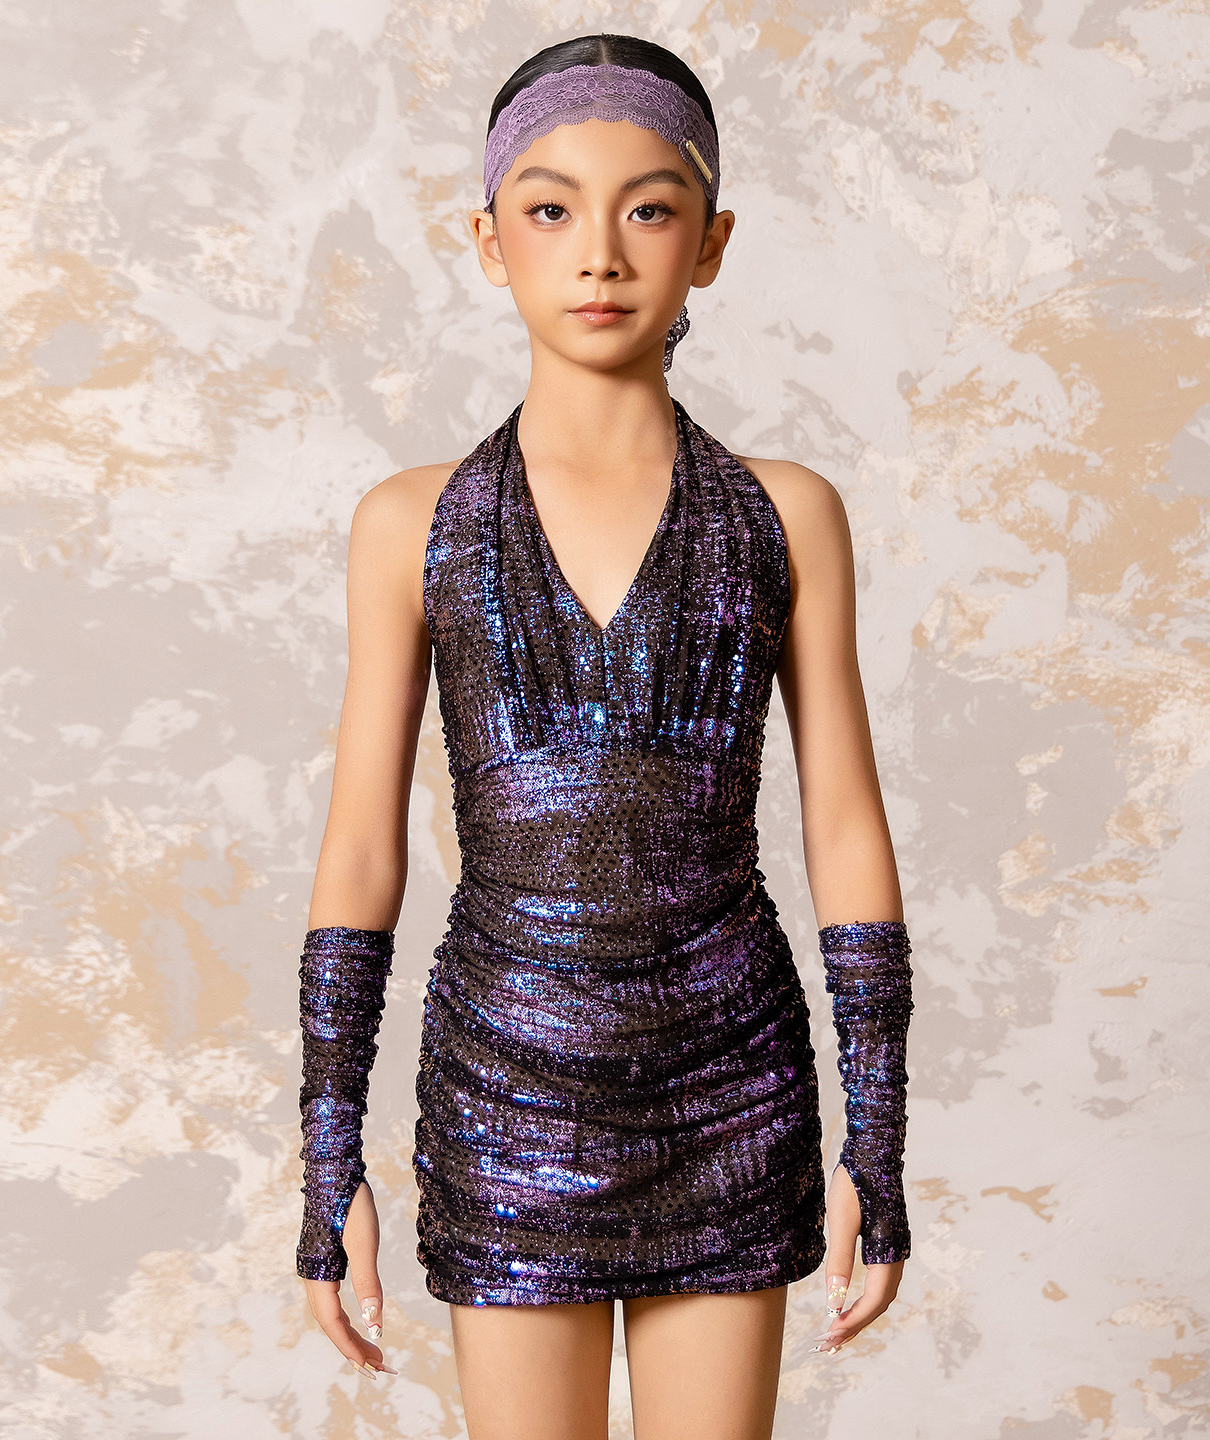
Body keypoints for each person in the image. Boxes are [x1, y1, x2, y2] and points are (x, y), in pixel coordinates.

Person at [293, 32, 917, 1440]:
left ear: (711, 243)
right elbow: (362, 853)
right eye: (549, 208)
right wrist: (330, 1156)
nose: (599, 255)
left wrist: (875, 1140)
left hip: (731, 1083)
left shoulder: (787, 514)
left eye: (648, 208)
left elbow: (843, 827)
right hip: (505, 1090)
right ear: (487, 240)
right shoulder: (411, 524)